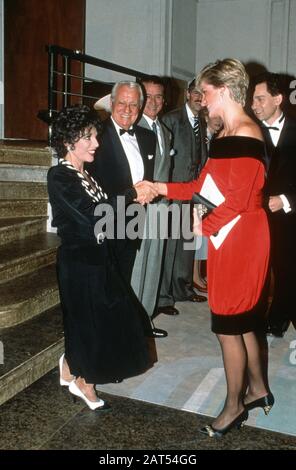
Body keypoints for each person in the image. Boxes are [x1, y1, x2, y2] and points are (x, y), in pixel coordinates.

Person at [155, 59, 273, 437]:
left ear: (223, 90)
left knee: (228, 325)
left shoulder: (245, 134)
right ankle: (258, 389)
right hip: (232, 235)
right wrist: (158, 188)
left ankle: (234, 406)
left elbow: (237, 202)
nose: (201, 100)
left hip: (240, 238)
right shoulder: (227, 135)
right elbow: (201, 187)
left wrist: (201, 228)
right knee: (244, 322)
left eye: (205, 93)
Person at [47, 105, 156, 411]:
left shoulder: (88, 175)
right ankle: (85, 382)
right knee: (89, 323)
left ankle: (70, 364)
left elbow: (106, 212)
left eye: (95, 136)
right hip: (79, 262)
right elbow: (94, 216)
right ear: (70, 142)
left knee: (104, 319)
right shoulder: (59, 176)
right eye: (89, 137)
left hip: (99, 257)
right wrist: (132, 194)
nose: (96, 142)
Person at [88, 81, 156, 284]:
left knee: (124, 281)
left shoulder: (147, 137)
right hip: (106, 221)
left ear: (140, 107)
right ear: (111, 102)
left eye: (133, 104)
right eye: (122, 103)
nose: (127, 109)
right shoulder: (95, 135)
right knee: (103, 285)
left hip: (135, 221)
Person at [156, 79, 208, 318]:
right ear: (188, 94)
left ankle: (183, 288)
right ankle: (164, 297)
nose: (200, 97)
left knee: (187, 245)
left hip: (193, 192)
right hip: (175, 190)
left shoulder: (202, 120)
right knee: (170, 247)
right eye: (196, 92)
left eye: (204, 93)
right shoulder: (171, 120)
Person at [252, 72, 296, 337]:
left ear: (278, 99)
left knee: (287, 268)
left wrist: (286, 200)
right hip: (254, 215)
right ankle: (253, 319)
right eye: (252, 99)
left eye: (260, 99)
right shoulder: (249, 131)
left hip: (289, 216)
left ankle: (280, 317)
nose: (254, 105)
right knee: (255, 270)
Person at [130, 76, 172, 335]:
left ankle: (145, 318)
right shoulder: (132, 128)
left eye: (159, 97)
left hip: (161, 206)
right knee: (137, 264)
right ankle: (131, 323)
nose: (154, 102)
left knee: (154, 261)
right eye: (149, 96)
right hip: (138, 206)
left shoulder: (165, 130)